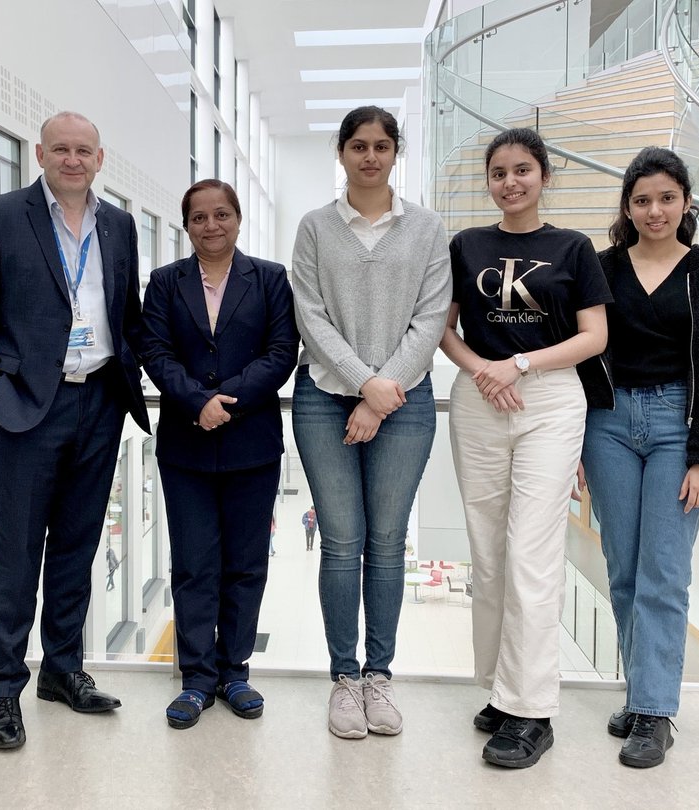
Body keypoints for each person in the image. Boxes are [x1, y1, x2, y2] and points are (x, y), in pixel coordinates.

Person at [0, 111, 150, 751]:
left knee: (76, 548)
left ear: (100, 158)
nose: (71, 159)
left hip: (100, 403)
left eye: (83, 150)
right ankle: (3, 691)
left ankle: (63, 670)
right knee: (16, 556)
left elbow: (128, 314)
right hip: (31, 409)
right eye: (60, 148)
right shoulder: (1, 215)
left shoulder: (118, 225)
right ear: (39, 153)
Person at [439, 127, 610, 769]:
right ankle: (502, 689)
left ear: (543, 176)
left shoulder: (573, 247)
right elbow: (444, 329)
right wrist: (485, 370)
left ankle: (533, 709)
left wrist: (519, 365)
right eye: (499, 172)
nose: (510, 182)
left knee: (532, 555)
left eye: (522, 170)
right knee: (486, 553)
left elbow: (593, 336)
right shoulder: (467, 245)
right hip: (480, 398)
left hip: (549, 399)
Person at [579, 147, 699, 769]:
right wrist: (573, 446)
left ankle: (655, 711)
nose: (655, 210)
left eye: (666, 198)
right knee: (623, 569)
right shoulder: (600, 269)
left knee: (665, 573)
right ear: (628, 206)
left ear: (685, 202)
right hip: (610, 424)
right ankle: (639, 692)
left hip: (681, 425)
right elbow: (579, 357)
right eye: (642, 199)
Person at [291, 106, 451, 741]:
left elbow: (431, 317)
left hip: (405, 404)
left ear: (396, 152)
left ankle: (379, 677)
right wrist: (365, 384)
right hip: (325, 398)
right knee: (340, 543)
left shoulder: (428, 229)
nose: (370, 157)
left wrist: (382, 394)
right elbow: (310, 314)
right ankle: (343, 680)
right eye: (358, 146)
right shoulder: (314, 228)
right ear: (341, 153)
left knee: (386, 544)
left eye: (382, 146)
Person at [142, 179, 298, 730]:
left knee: (245, 563)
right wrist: (196, 401)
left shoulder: (271, 279)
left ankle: (235, 672)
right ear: (187, 225)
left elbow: (283, 352)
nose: (212, 226)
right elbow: (154, 350)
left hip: (251, 443)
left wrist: (224, 401)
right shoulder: (164, 283)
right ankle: (196, 679)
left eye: (222, 214)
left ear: (237, 219)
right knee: (193, 564)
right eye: (200, 217)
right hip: (186, 444)